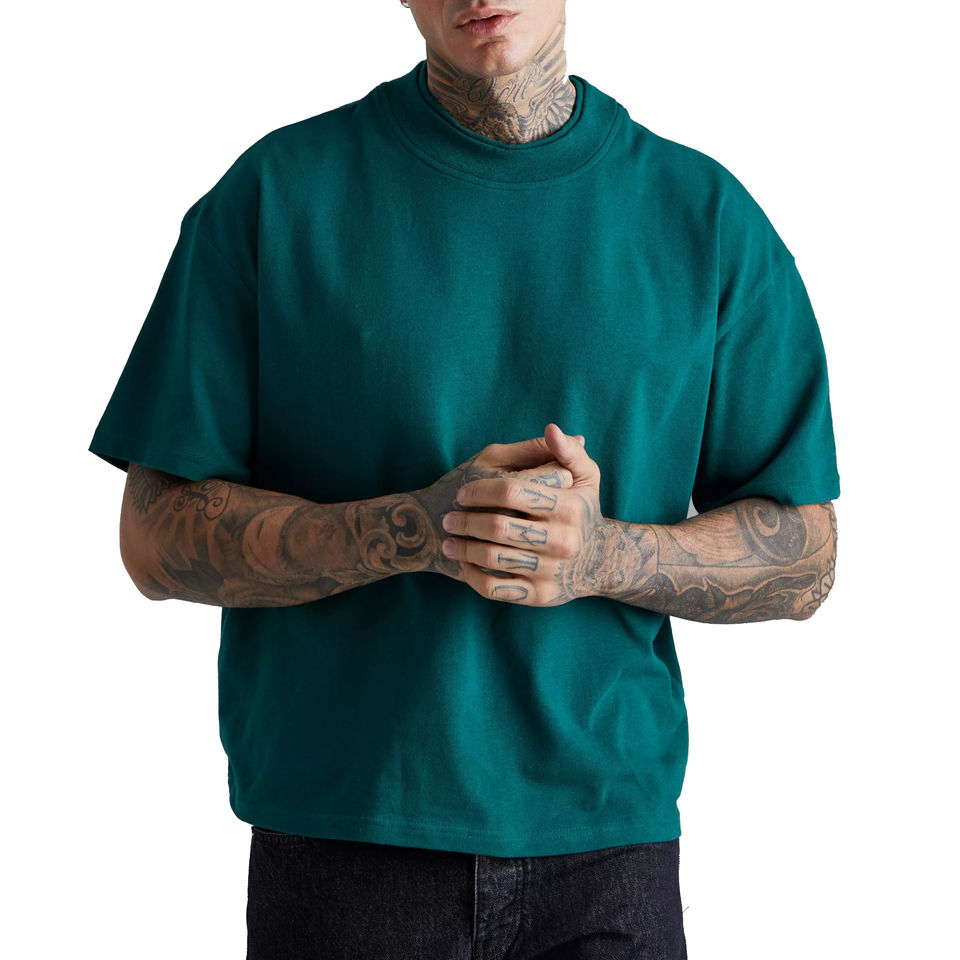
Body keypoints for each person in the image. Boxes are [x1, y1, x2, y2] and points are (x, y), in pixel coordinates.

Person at [88, 1, 840, 956]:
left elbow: (806, 557)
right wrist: (414, 528)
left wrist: (604, 556)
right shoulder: (275, 198)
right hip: (344, 838)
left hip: (608, 849)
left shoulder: (706, 218)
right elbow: (153, 536)